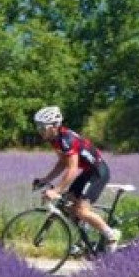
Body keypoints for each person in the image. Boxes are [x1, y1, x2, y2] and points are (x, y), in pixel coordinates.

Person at [31, 106, 121, 249]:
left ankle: (111, 234)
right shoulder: (55, 139)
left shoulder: (67, 139)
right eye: (38, 126)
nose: (39, 130)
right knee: (68, 204)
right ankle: (86, 241)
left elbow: (72, 169)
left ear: (54, 126)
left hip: (97, 172)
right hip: (88, 172)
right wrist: (46, 179)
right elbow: (62, 163)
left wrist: (56, 190)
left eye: (42, 127)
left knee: (81, 210)